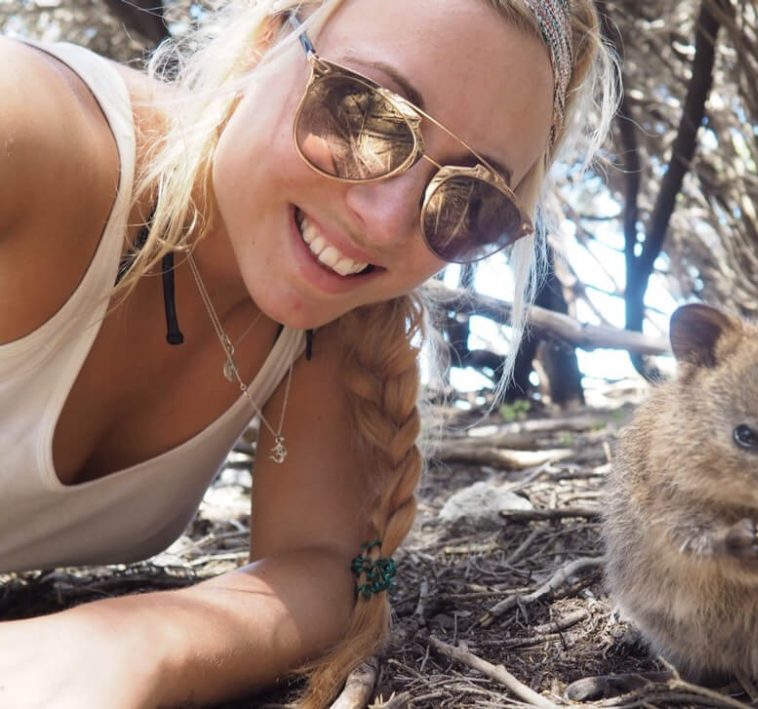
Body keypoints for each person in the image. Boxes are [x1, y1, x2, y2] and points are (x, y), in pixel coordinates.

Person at [0, 0, 616, 705]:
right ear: (268, 40)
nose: (385, 222)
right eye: (362, 112)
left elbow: (327, 566)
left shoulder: (336, 323)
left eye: (469, 200)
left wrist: (137, 641)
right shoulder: (31, 130)